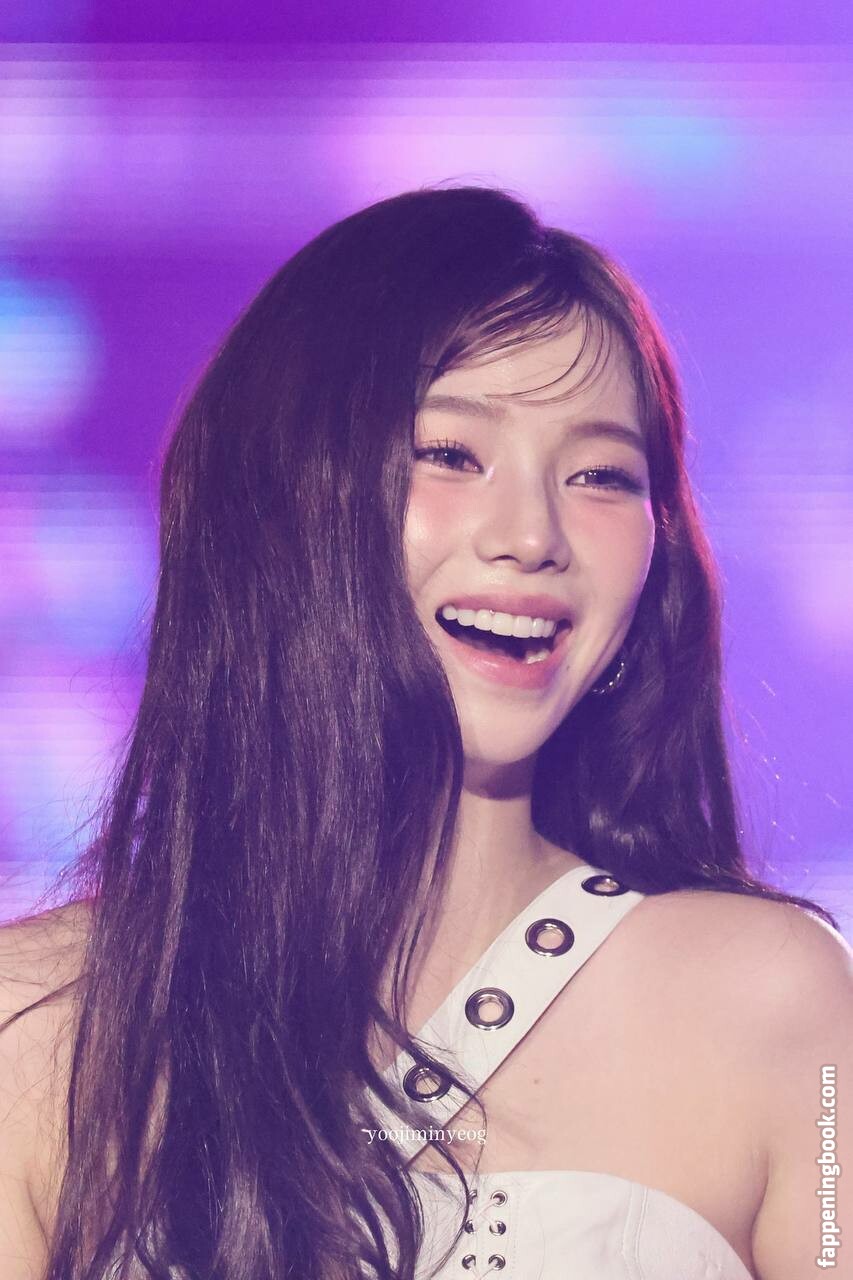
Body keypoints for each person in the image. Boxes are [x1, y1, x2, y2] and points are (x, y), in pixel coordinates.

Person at [0, 184, 850, 1280]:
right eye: (451, 453)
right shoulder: (41, 1024)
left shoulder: (773, 1003)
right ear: (282, 497)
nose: (533, 535)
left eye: (600, 474)